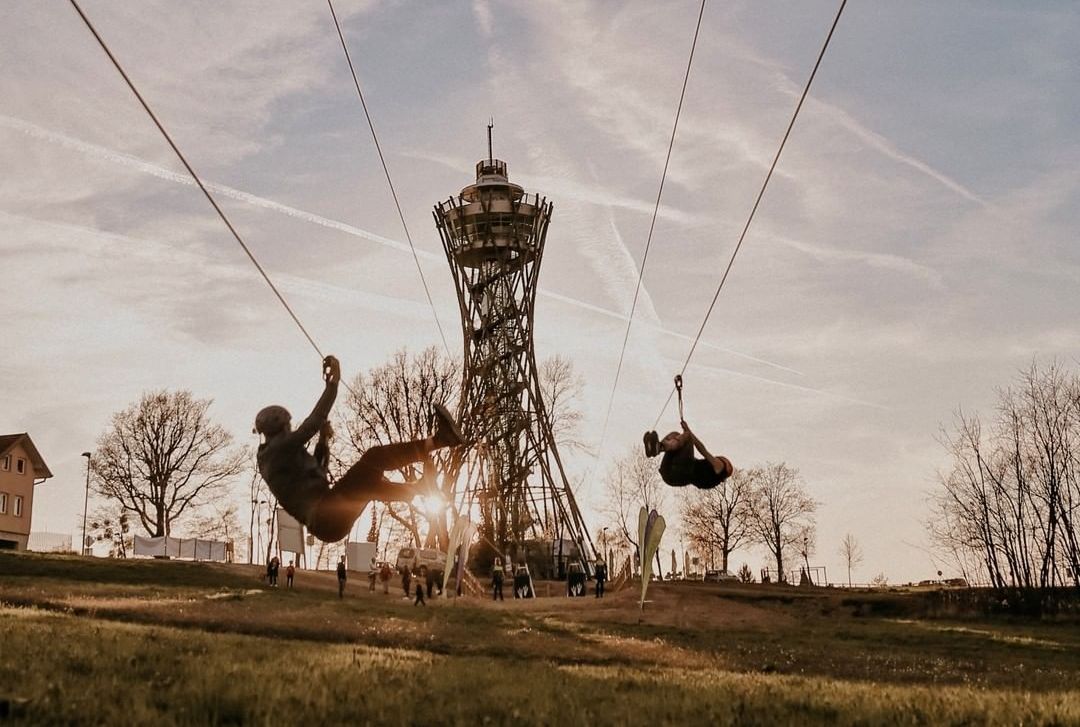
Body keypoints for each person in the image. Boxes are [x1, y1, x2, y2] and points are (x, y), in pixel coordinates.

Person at [255, 355, 464, 543]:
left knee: (369, 483)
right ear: (279, 427)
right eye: (288, 427)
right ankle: (439, 441)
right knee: (374, 458)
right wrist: (332, 385)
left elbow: (319, 470)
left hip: (329, 520)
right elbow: (312, 422)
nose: (291, 431)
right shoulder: (276, 450)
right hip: (325, 515)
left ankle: (419, 488)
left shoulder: (278, 458)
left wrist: (323, 440)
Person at [642, 420, 733, 490]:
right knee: (676, 435)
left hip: (682, 471)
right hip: (670, 476)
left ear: (726, 467)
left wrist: (688, 431)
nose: (720, 458)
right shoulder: (711, 479)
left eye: (725, 460)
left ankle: (661, 447)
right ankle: (657, 447)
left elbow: (703, 451)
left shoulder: (721, 468)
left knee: (687, 437)